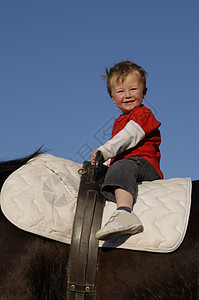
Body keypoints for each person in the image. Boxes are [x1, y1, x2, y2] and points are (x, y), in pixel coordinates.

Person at [90, 60, 163, 241]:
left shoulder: (143, 114)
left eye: (133, 89)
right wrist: (102, 162)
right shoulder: (118, 121)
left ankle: (124, 212)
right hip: (129, 162)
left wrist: (104, 151)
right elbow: (118, 150)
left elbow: (128, 137)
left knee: (121, 166)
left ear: (144, 92)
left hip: (144, 163)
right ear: (112, 97)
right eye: (121, 91)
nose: (128, 95)